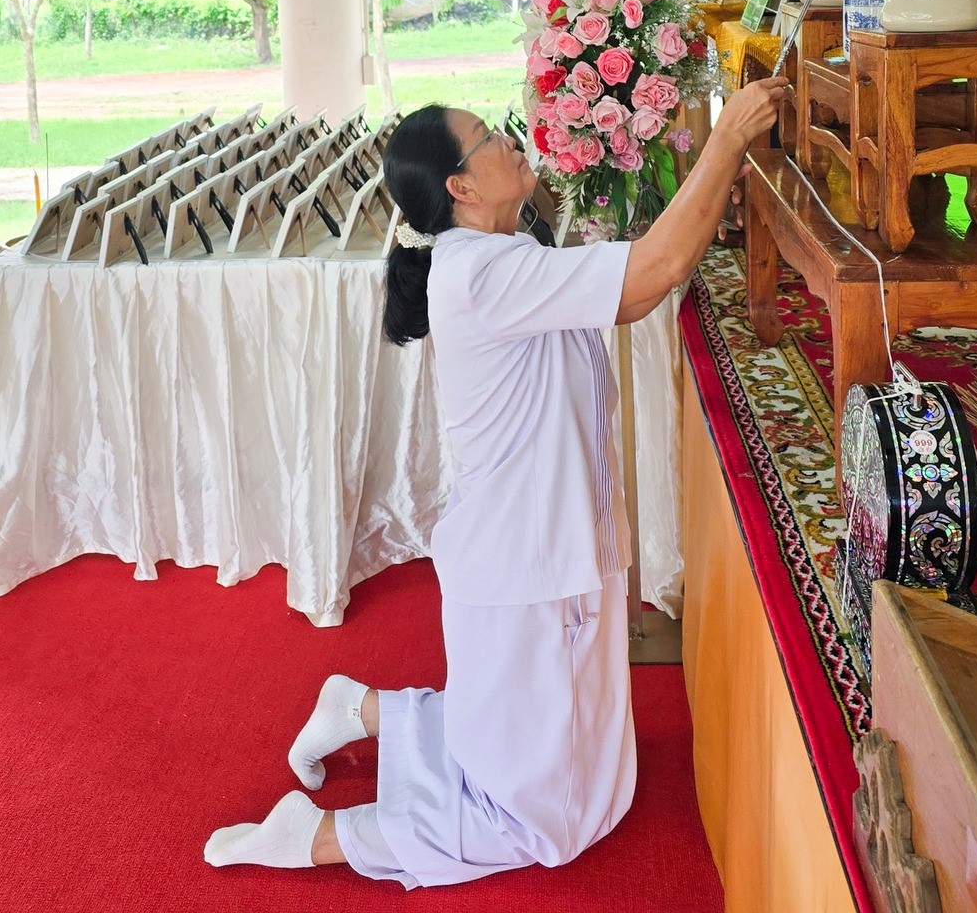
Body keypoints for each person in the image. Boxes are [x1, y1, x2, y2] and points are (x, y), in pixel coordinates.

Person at [204, 76, 787, 884]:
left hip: (518, 554)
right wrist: (726, 140)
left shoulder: (499, 256)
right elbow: (651, 274)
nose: (514, 142)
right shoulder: (480, 272)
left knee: (521, 737)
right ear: (462, 188)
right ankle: (320, 835)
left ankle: (360, 709)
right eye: (494, 139)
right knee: (537, 820)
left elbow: (621, 300)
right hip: (527, 563)